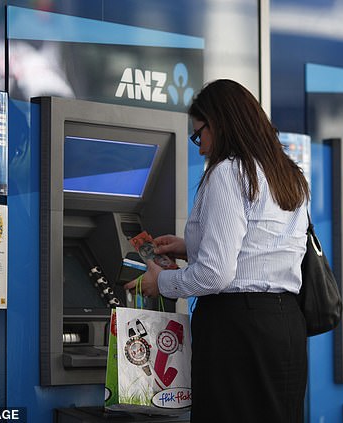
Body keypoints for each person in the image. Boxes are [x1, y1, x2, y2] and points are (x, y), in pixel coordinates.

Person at [124, 79, 310, 422]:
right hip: (285, 325)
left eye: (199, 135)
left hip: (238, 328)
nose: (200, 148)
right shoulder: (287, 174)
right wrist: (189, 246)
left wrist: (161, 282)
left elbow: (216, 274)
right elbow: (261, 245)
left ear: (220, 124)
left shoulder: (229, 172)